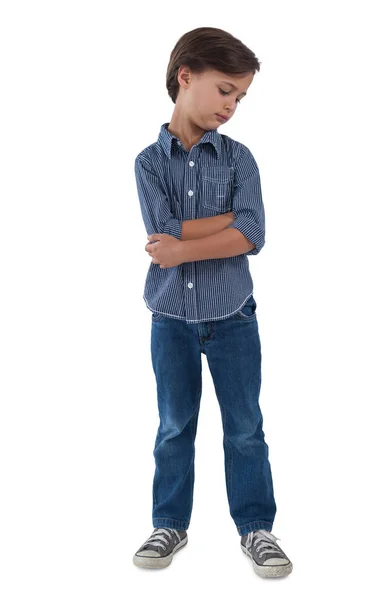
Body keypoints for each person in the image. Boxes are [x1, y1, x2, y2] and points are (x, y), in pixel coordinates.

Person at [132, 27, 293, 578]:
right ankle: (169, 523)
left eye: (240, 98)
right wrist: (220, 225)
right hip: (171, 319)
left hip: (233, 319)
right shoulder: (149, 163)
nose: (232, 106)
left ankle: (257, 528)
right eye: (225, 90)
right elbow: (161, 239)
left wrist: (188, 241)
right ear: (185, 76)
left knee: (245, 426)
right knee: (174, 425)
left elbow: (255, 233)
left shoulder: (240, 158)